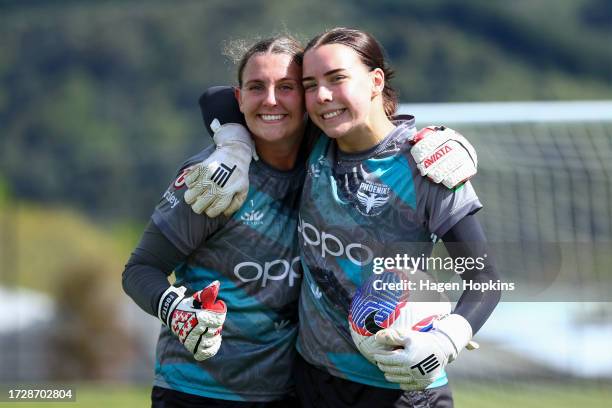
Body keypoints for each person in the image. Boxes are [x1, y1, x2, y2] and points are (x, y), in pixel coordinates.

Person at [186, 27, 499, 408]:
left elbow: (485, 279)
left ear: (375, 80)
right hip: (312, 380)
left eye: (337, 79)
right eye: (310, 84)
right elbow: (216, 98)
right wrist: (234, 144)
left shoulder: (428, 166)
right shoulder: (315, 142)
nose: (322, 96)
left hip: (403, 387)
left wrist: (444, 340)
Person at [122, 35, 309, 407]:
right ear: (239, 99)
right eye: (257, 87)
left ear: (306, 94)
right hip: (195, 392)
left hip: (292, 392)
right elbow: (140, 269)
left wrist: (430, 138)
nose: (271, 100)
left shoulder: (325, 162)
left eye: (286, 87)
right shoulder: (210, 179)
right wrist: (175, 310)